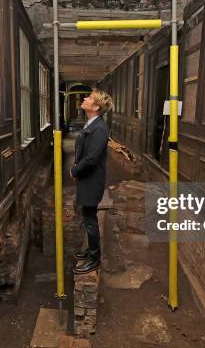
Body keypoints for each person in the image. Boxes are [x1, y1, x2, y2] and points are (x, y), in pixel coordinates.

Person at [70, 88, 113, 274]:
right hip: (87, 178)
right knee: (88, 217)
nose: (85, 98)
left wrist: (74, 170)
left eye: (89, 98)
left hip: (92, 180)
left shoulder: (100, 128)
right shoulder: (93, 123)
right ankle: (90, 251)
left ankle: (94, 259)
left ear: (95, 106)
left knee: (90, 219)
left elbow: (92, 158)